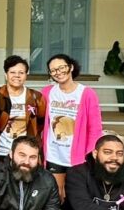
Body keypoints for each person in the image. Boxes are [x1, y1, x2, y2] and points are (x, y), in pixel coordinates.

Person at [42, 54, 104, 200]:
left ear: (71, 67)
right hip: (53, 153)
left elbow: (95, 128)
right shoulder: (47, 92)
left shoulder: (87, 93)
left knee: (76, 196)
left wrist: (90, 154)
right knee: (56, 195)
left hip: (78, 156)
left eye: (62, 67)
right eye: (53, 70)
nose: (58, 72)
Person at [0, 55, 46, 164]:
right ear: (6, 75)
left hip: (25, 155)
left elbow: (40, 123)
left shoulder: (36, 97)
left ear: (26, 75)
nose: (17, 76)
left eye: (21, 73)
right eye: (12, 72)